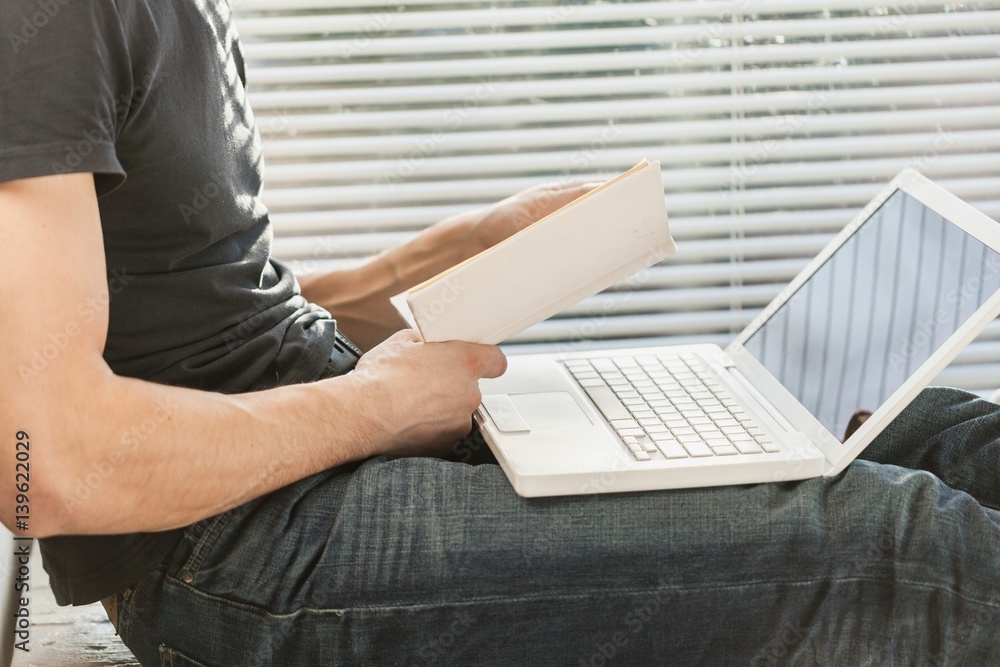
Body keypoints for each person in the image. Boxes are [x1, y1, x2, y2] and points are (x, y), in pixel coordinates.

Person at [1, 2, 998, 665]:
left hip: (293, 462)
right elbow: (43, 462)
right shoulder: (48, 24)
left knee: (942, 430)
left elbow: (203, 317)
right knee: (902, 544)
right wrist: (370, 407)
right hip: (222, 551)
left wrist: (451, 255)